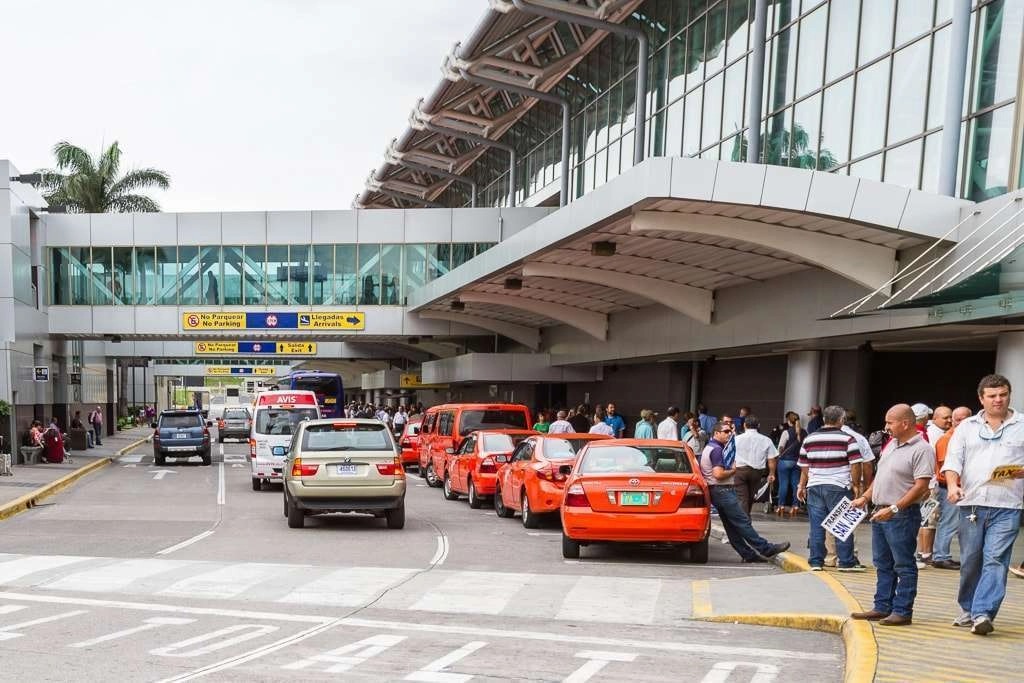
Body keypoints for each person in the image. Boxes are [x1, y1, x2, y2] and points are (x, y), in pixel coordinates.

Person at [943, 374, 1024, 636]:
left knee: (996, 559)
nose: (998, 399)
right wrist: (953, 485)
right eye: (992, 396)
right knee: (970, 562)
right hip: (971, 505)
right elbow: (953, 462)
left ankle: (983, 613)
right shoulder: (966, 427)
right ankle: (968, 608)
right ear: (981, 398)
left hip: (1008, 505)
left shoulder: (1022, 425)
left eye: (1002, 394)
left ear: (1009, 395)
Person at [849, 404, 934, 626]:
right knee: (882, 562)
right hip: (881, 511)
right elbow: (880, 477)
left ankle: (903, 610)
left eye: (890, 422)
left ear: (905, 423)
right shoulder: (891, 445)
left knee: (903, 564)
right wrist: (865, 498)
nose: (886, 427)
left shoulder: (922, 449)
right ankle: (882, 606)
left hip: (901, 515)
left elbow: (921, 485)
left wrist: (895, 508)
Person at [700, 421, 790, 563]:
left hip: (716, 491)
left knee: (731, 527)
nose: (728, 433)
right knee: (742, 522)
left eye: (730, 431)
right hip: (722, 490)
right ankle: (765, 548)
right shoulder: (717, 450)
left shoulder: (711, 447)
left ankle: (748, 554)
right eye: (725, 431)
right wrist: (734, 471)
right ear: (716, 433)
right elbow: (718, 474)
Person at [797, 405, 865, 571]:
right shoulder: (848, 439)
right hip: (839, 486)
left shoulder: (809, 439)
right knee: (842, 524)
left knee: (817, 526)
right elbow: (856, 464)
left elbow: (804, 465)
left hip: (814, 486)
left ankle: (815, 561)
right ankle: (846, 562)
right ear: (841, 420)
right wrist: (855, 485)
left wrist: (803, 484)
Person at [931, 406, 971, 570]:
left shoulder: (963, 436)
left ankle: (942, 555)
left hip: (961, 487)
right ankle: (940, 556)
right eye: (957, 419)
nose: (960, 422)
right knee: (949, 522)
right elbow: (946, 467)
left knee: (956, 523)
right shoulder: (947, 439)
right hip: (949, 487)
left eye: (965, 419)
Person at [916, 405, 954, 568]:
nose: (949, 420)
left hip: (933, 483)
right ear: (934, 418)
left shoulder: (939, 433)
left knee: (931, 519)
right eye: (945, 417)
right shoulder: (931, 435)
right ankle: (924, 554)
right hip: (930, 484)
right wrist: (929, 485)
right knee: (928, 519)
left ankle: (927, 553)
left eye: (950, 417)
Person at [733, 415, 777, 515]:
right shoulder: (766, 440)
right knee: (751, 496)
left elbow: (731, 456)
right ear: (758, 426)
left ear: (744, 425)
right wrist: (772, 473)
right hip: (757, 472)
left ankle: (744, 522)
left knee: (742, 497)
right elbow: (771, 459)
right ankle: (746, 519)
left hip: (740, 471)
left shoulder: (736, 439)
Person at [776, 411, 805, 517]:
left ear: (789, 421)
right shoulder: (804, 432)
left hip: (785, 461)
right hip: (798, 462)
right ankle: (795, 506)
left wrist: (779, 454)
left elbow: (781, 447)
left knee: (783, 484)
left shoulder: (786, 432)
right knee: (796, 484)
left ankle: (781, 506)